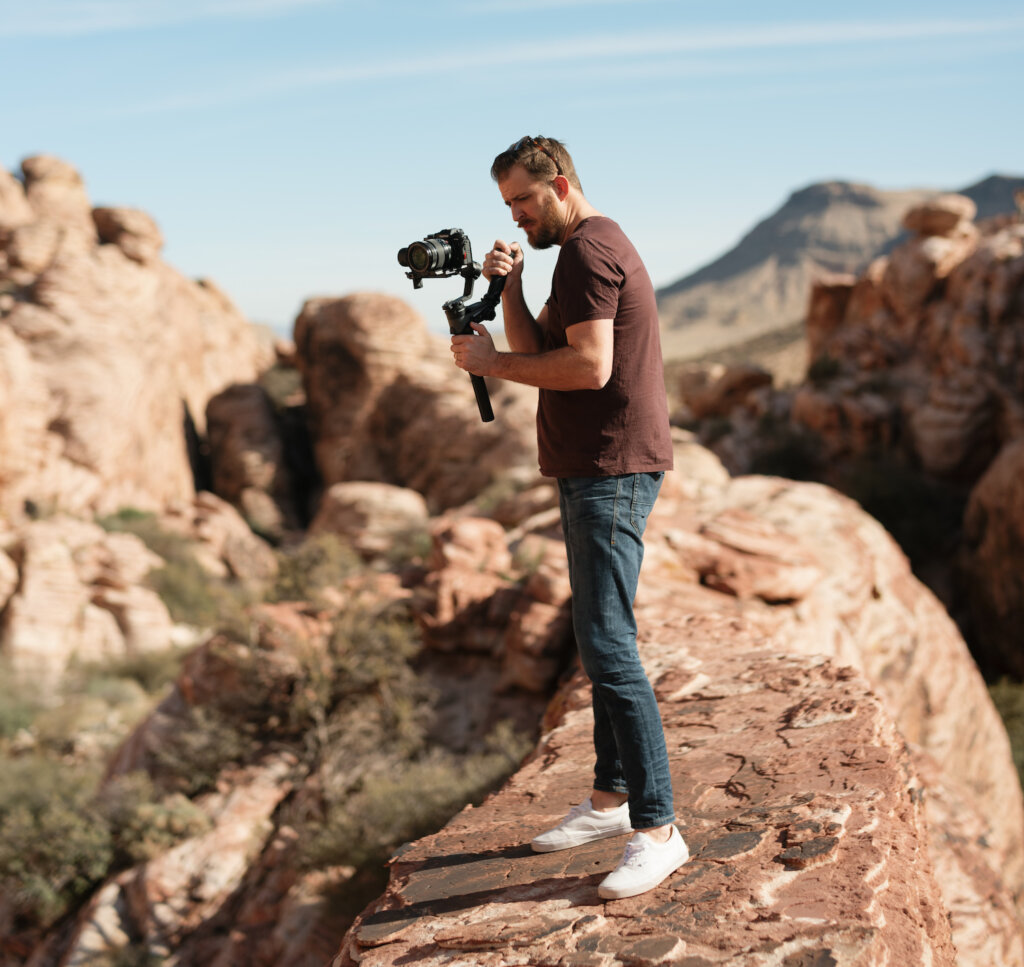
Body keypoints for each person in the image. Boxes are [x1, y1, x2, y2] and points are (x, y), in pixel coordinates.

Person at [450, 135, 687, 900]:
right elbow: (540, 346)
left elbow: (588, 368)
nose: (515, 217)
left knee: (610, 644)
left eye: (522, 200)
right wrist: (512, 289)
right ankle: (611, 801)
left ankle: (659, 829)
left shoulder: (590, 252)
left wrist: (489, 366)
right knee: (596, 636)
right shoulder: (579, 250)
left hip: (612, 469)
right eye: (506, 206)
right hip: (596, 467)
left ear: (559, 185)